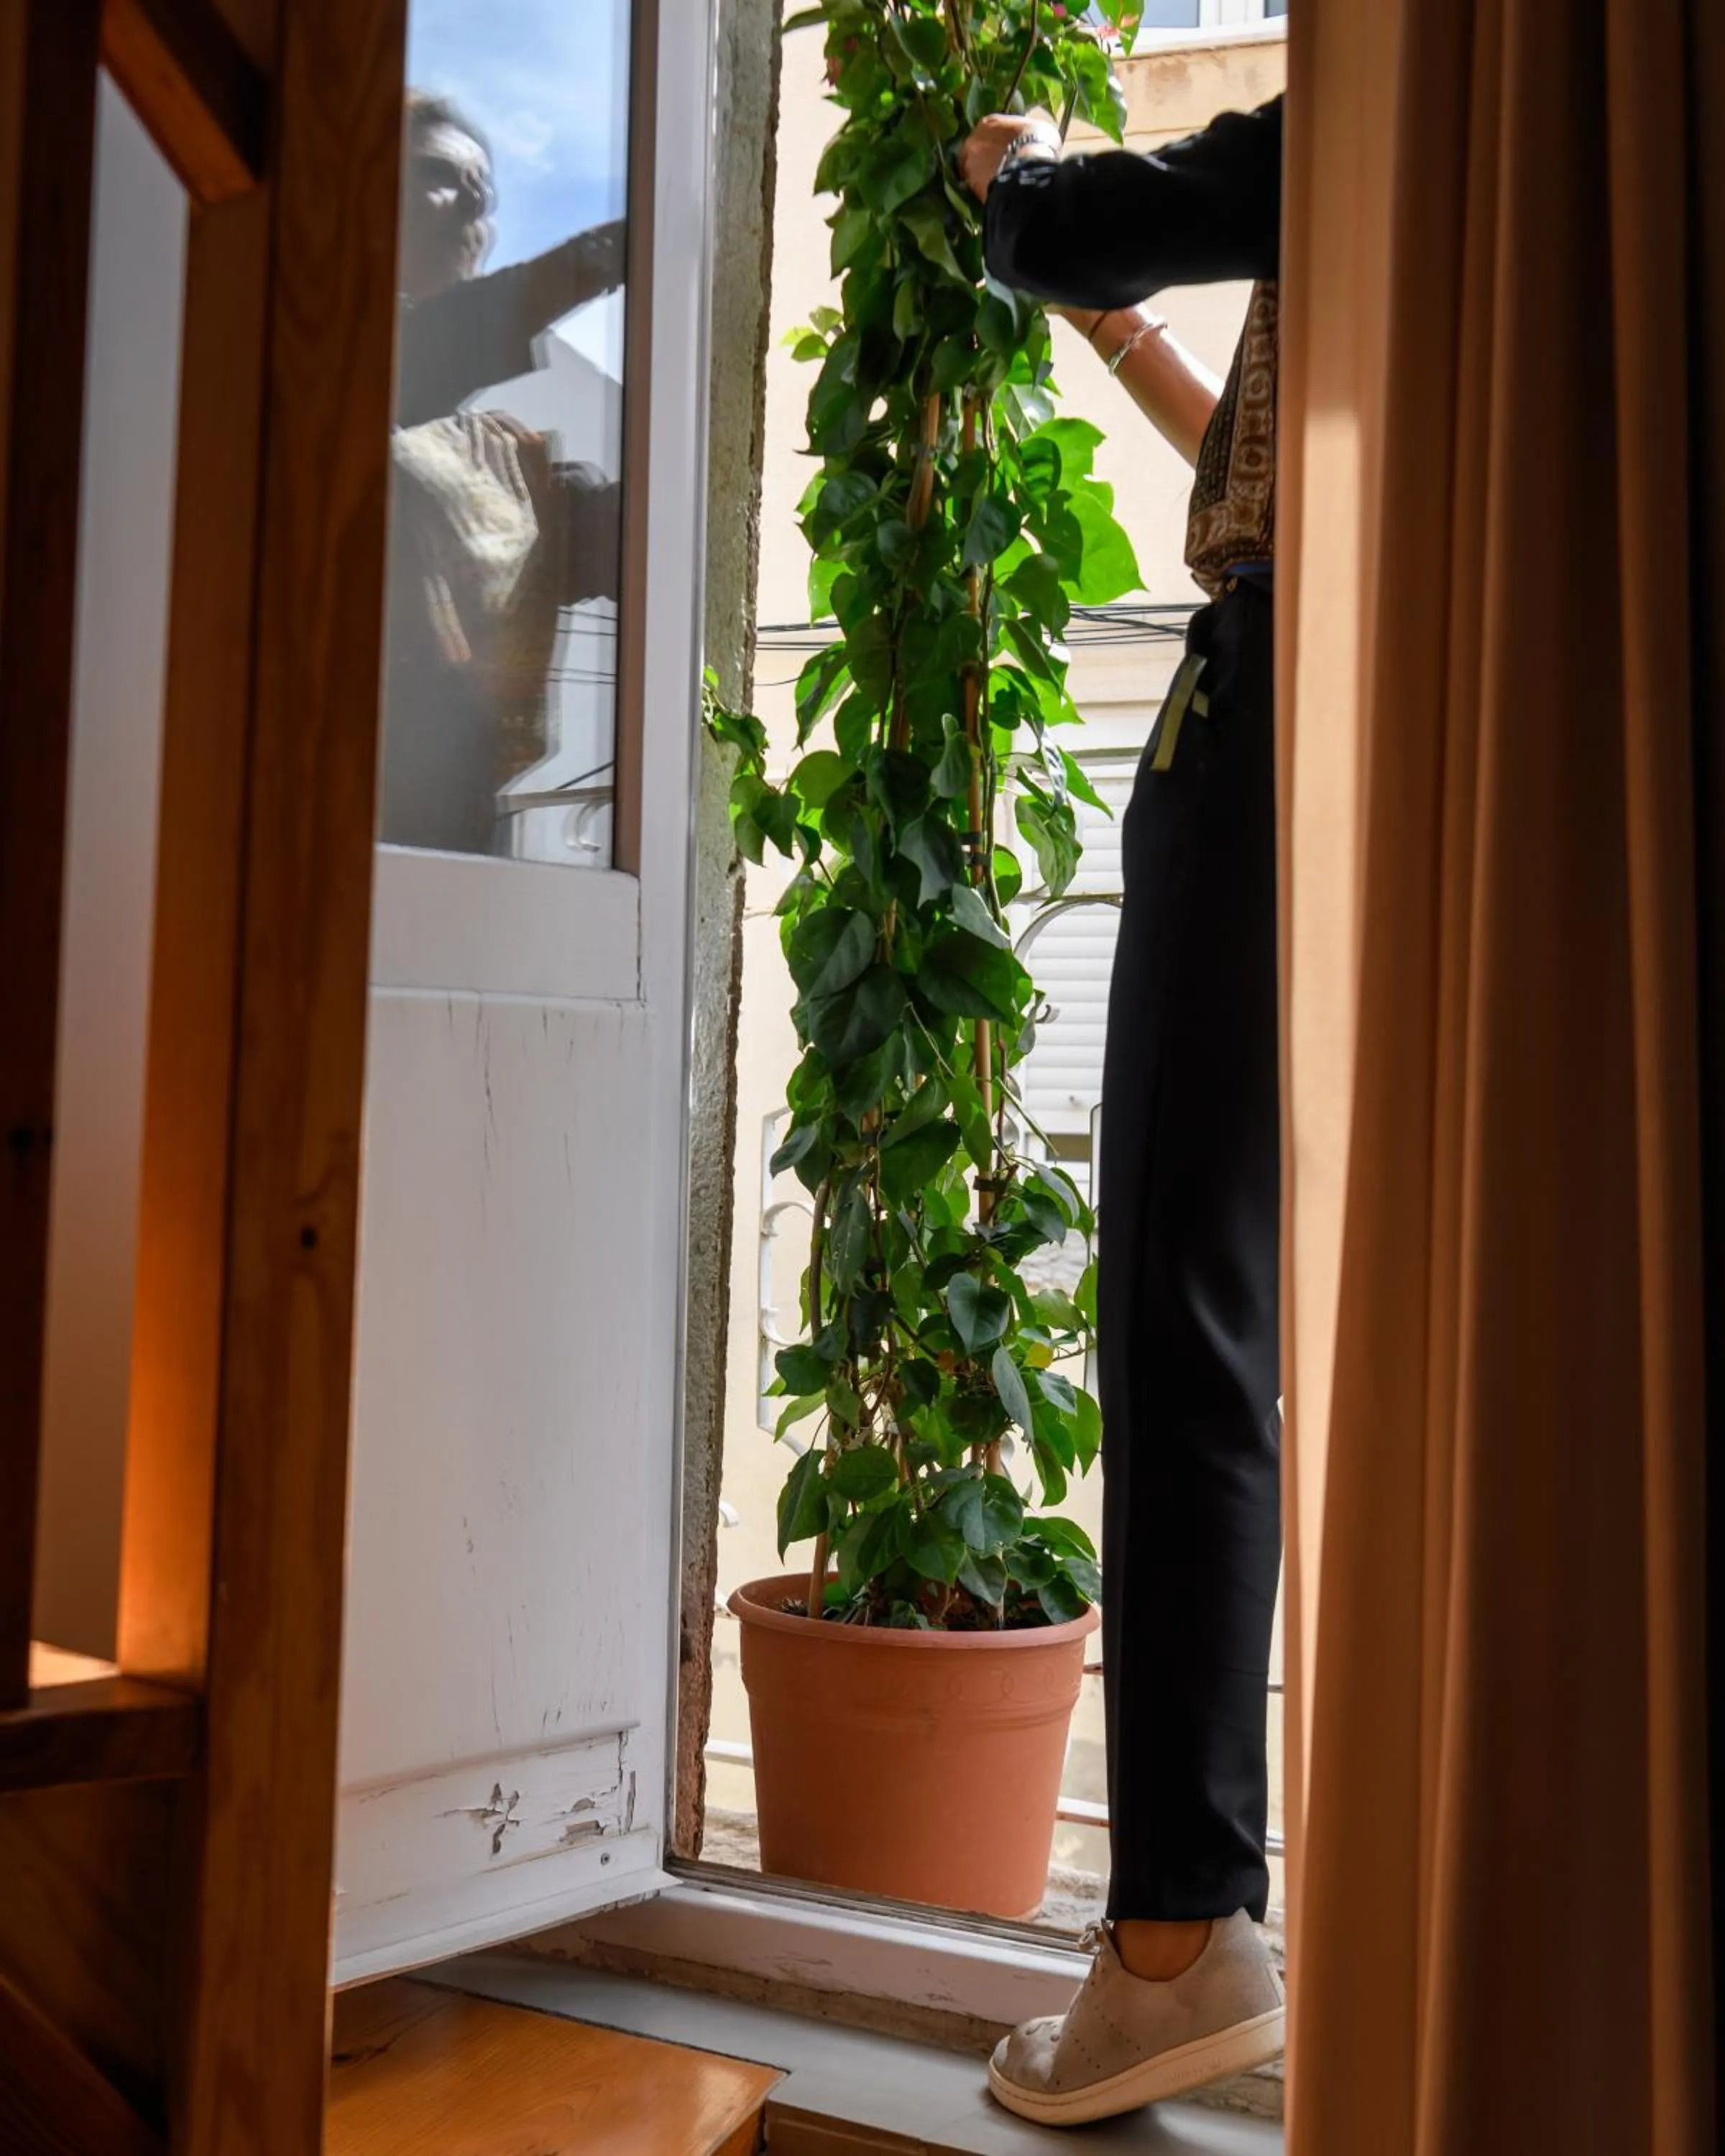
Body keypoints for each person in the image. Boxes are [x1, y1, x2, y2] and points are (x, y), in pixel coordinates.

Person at [960, 95, 1286, 2127]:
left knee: (1183, 1301)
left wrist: (1020, 169)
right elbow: (1295, 480)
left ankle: (1175, 1937)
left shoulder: (1408, 80)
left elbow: (1075, 226)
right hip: (1444, 683)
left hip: (1273, 718)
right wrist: (1143, 350)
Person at [380, 93, 627, 855]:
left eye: (481, 197)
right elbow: (421, 350)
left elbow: (601, 533)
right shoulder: (308, 348)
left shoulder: (491, 451)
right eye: (436, 174)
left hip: (451, 832)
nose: (464, 207)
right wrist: (615, 249)